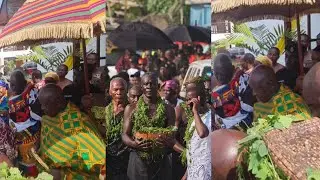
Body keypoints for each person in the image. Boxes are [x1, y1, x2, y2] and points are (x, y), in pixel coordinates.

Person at [37, 84, 105, 179]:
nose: (42, 108)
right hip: (46, 168)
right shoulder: (47, 119)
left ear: (57, 102)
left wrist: (61, 165)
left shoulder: (80, 124)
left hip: (74, 174)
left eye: (45, 104)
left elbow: (96, 157)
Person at [122, 73, 176, 180]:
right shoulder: (131, 108)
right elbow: (124, 134)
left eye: (152, 84)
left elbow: (172, 133)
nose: (149, 86)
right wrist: (135, 144)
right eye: (146, 84)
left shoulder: (168, 109)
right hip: (138, 159)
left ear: (158, 86)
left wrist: (165, 140)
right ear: (141, 87)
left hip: (160, 161)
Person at [8, 70, 42, 177]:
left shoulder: (33, 93)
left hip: (32, 137)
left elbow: (39, 115)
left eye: (14, 84)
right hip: (18, 138)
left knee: (32, 163)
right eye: (11, 84)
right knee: (21, 164)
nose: (12, 87)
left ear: (23, 83)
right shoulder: (15, 95)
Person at [177, 77, 211, 180]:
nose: (188, 104)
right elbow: (194, 149)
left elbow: (202, 133)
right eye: (187, 100)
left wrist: (195, 111)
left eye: (191, 101)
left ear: (200, 98)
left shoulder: (209, 115)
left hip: (205, 171)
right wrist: (186, 175)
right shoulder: (194, 119)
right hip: (193, 171)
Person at [212, 54, 249, 130]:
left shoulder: (242, 82)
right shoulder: (243, 81)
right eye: (218, 73)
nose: (220, 76)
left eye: (223, 73)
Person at [105, 77, 130, 180]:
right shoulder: (105, 110)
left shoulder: (132, 110)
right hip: (108, 159)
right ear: (110, 91)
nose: (119, 92)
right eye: (116, 89)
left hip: (126, 159)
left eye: (122, 89)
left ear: (127, 91)